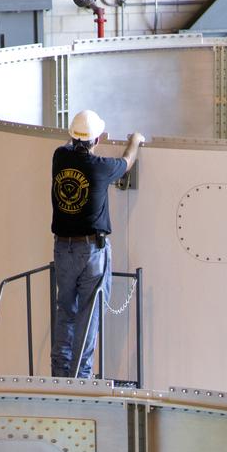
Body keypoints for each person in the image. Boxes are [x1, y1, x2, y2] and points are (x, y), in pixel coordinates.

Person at [50, 109, 145, 378]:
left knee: (65, 310)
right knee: (88, 316)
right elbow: (127, 161)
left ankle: (59, 375)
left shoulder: (59, 157)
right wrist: (135, 141)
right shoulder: (100, 167)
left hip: (62, 249)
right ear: (97, 139)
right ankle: (81, 378)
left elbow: (73, 147)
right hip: (91, 251)